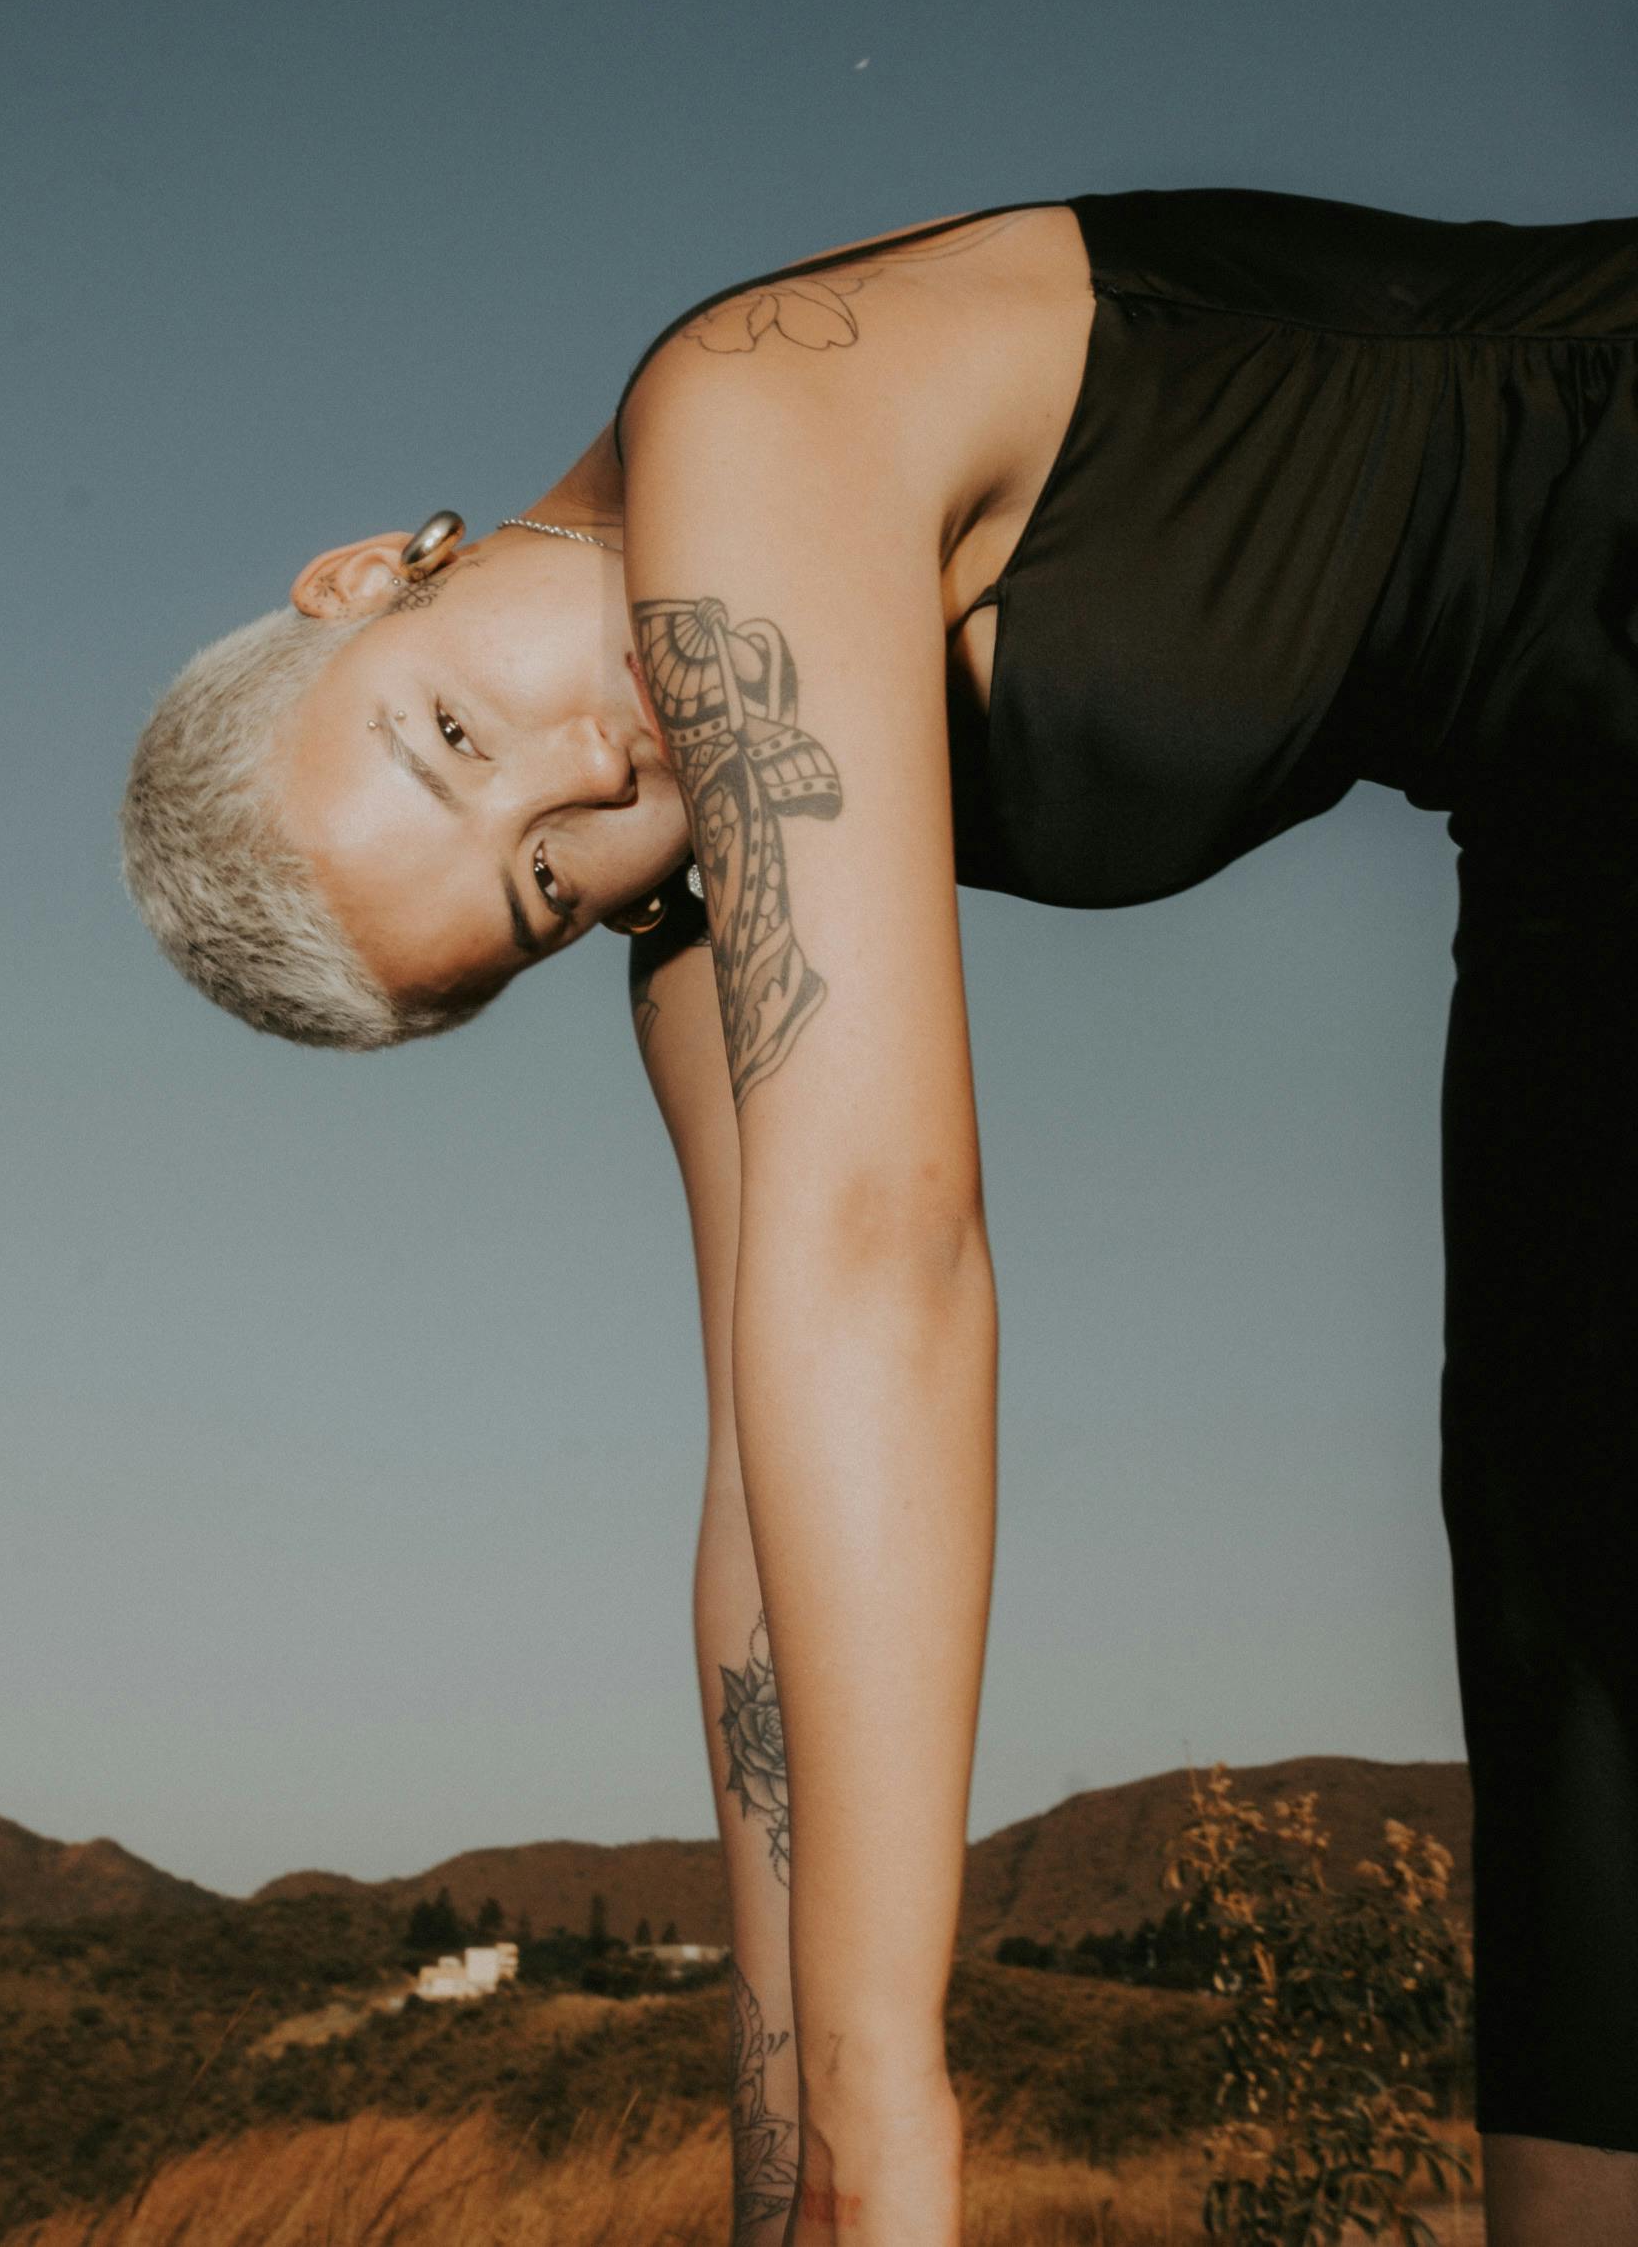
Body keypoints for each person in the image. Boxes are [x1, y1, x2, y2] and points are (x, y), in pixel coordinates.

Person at [121, 193, 1638, 2247]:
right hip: (1567, 828)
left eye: (453, 731)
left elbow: (880, 1246)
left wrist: (885, 2097)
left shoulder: (748, 416)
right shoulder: (695, 903)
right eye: (541, 886)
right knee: (1564, 1616)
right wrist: (789, 2175)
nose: (593, 771)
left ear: (374, 573)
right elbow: (773, 1505)